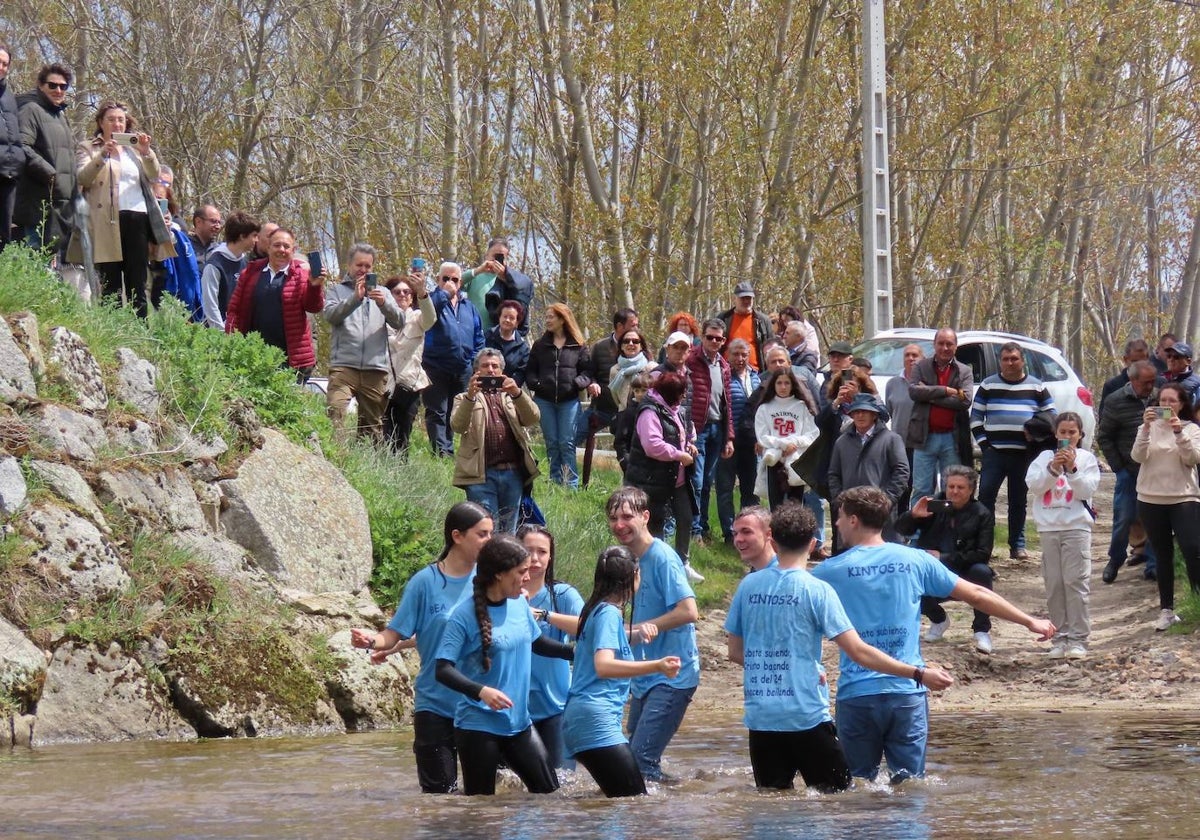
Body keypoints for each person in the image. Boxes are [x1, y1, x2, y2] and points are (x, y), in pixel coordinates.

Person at [811, 486, 1054, 783]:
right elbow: (977, 594)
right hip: (907, 694)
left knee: (856, 789)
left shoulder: (829, 571)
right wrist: (1029, 621)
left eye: (838, 517)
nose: (835, 524)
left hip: (858, 695)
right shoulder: (915, 560)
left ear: (853, 520)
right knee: (910, 786)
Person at [726, 503, 953, 792]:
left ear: (772, 540)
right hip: (805, 717)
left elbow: (734, 651)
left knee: (773, 805)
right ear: (812, 543)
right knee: (840, 801)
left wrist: (776, 668)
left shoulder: (748, 586)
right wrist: (918, 674)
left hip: (760, 719)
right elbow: (858, 652)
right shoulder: (816, 589)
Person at [349, 501, 492, 794]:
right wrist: (373, 641)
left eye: (491, 533)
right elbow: (394, 633)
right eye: (482, 534)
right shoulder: (425, 583)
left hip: (481, 707)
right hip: (435, 706)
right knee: (439, 798)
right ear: (457, 536)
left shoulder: (491, 580)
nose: (490, 541)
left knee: (484, 801)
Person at [434, 534, 573, 796]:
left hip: (520, 725)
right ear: (499, 574)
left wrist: (577, 653)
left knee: (550, 795)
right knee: (481, 809)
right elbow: (442, 668)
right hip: (477, 728)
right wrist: (481, 691)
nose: (527, 578)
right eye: (521, 571)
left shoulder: (520, 603)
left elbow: (538, 643)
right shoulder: (463, 616)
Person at [563, 545, 680, 797]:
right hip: (595, 721)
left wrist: (636, 634)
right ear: (633, 577)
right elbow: (603, 665)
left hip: (582, 718)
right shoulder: (609, 613)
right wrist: (656, 666)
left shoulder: (595, 608)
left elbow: (605, 644)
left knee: (616, 802)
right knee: (635, 800)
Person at [604, 487, 699, 783]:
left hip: (673, 675)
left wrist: (649, 627)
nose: (620, 524)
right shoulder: (627, 560)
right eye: (614, 518)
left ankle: (652, 821)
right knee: (635, 757)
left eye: (627, 516)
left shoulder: (662, 558)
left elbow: (689, 611)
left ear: (645, 517)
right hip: (644, 676)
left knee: (640, 761)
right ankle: (678, 795)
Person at [70, 101, 175, 317]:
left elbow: (154, 175)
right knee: (110, 281)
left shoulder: (135, 149)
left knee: (137, 279)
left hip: (137, 218)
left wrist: (147, 152)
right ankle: (113, 331)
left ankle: (140, 329)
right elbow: (82, 177)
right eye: (111, 119)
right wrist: (103, 155)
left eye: (121, 120)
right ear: (101, 123)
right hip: (105, 220)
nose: (117, 124)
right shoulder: (88, 147)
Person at [895, 465, 997, 653]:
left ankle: (981, 630)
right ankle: (939, 619)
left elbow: (983, 553)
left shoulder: (982, 513)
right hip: (933, 571)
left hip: (963, 569)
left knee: (982, 572)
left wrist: (943, 557)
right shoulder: (933, 506)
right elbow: (902, 530)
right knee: (907, 575)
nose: (955, 492)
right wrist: (913, 515)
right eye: (951, 487)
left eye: (960, 488)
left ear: (971, 489)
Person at [971, 342, 1056, 560]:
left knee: (1018, 501)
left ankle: (1017, 545)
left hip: (1024, 454)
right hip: (994, 454)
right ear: (1000, 361)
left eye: (1014, 359)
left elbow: (1052, 417)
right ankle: (984, 546)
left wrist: (1035, 432)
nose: (1010, 363)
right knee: (985, 499)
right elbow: (976, 418)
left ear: (1022, 360)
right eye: (1006, 359)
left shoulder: (1037, 387)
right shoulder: (988, 386)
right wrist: (985, 445)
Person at [1025, 412, 1100, 659]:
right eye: (1063, 432)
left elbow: (1086, 489)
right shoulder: (1045, 457)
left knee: (1075, 582)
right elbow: (1034, 486)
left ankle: (1079, 639)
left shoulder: (1087, 458)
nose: (1067, 437)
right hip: (1049, 528)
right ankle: (1059, 637)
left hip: (1076, 528)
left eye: (1072, 433)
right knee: (1054, 584)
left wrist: (1072, 468)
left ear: (1080, 435)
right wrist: (1054, 468)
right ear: (1056, 433)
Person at [1132, 382, 1200, 631]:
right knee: (1162, 554)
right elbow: (1138, 456)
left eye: (1172, 401)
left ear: (1182, 404)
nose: (1167, 406)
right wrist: (1147, 428)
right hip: (1150, 498)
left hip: (1184, 497)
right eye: (1163, 401)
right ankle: (1166, 610)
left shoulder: (1191, 428)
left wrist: (1179, 432)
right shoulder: (1146, 428)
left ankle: (1197, 601)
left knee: (1193, 548)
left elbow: (1193, 459)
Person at [450, 348, 541, 533]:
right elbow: (457, 426)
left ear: (502, 371)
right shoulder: (463, 398)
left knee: (508, 533)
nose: (490, 370)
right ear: (477, 371)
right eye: (485, 366)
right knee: (485, 532)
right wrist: (470, 396)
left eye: (495, 366)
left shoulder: (511, 396)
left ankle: (506, 563)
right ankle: (484, 563)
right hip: (480, 476)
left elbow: (533, 417)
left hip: (512, 474)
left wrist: (517, 393)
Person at [518, 525, 584, 769]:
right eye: (527, 551)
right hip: (512, 708)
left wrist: (545, 615)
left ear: (550, 557)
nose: (534, 558)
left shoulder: (562, 594)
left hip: (555, 706)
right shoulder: (502, 594)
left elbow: (589, 627)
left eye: (542, 552)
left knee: (561, 784)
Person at [323, 243, 405, 440]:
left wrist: (384, 304)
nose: (363, 270)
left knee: (372, 428)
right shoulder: (337, 291)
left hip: (375, 369)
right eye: (359, 265)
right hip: (344, 366)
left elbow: (400, 321)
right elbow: (330, 316)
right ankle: (336, 460)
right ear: (349, 265)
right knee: (335, 412)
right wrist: (354, 299)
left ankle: (365, 466)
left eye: (368, 266)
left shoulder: (383, 293)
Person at [224, 227, 324, 384]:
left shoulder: (302, 274)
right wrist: (231, 340)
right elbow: (234, 310)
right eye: (277, 245)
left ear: (293, 250)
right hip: (253, 355)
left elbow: (313, 307)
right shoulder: (250, 273)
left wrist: (314, 286)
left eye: (286, 246)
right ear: (268, 247)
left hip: (290, 359)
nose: (281, 250)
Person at [624, 370, 699, 570]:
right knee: (655, 524)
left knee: (686, 517)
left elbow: (685, 432)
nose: (684, 396)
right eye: (680, 392)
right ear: (669, 393)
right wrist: (678, 454)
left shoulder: (677, 409)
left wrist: (690, 444)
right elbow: (652, 445)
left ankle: (682, 563)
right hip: (651, 480)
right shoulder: (649, 411)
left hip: (678, 479)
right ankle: (655, 566)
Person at [1098, 360, 1160, 583]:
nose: (1150, 386)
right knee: (1123, 518)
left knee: (1154, 520)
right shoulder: (1115, 401)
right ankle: (1114, 560)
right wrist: (1119, 468)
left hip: (1156, 471)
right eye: (1146, 382)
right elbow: (1104, 437)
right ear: (1132, 380)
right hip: (1128, 471)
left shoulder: (1159, 398)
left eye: (1153, 381)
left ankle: (1153, 565)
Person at [827, 393, 909, 551]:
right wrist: (840, 499)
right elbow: (833, 474)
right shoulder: (841, 442)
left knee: (884, 557)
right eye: (856, 412)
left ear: (874, 415)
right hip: (850, 511)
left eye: (864, 411)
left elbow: (902, 472)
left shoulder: (892, 439)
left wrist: (887, 500)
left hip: (882, 513)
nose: (860, 415)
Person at [525, 302, 593, 489]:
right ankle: (555, 482)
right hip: (544, 401)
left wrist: (577, 384)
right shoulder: (540, 345)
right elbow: (530, 371)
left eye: (550, 317)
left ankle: (570, 484)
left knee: (567, 442)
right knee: (552, 443)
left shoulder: (578, 345)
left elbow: (587, 372)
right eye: (546, 317)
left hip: (569, 401)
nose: (547, 320)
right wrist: (536, 384)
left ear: (563, 319)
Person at [422, 262, 484, 457]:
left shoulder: (469, 307)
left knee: (455, 412)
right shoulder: (432, 300)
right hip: (435, 365)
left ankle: (454, 450)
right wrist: (445, 294)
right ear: (438, 280)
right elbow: (428, 315)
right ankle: (441, 453)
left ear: (460, 282)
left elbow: (478, 337)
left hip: (463, 367)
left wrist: (474, 362)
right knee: (437, 411)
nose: (450, 282)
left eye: (455, 279)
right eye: (445, 278)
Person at [905, 327, 973, 506]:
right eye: (941, 343)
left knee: (951, 489)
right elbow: (913, 392)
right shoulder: (921, 366)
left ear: (956, 347)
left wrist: (930, 396)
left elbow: (964, 401)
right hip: (924, 437)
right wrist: (945, 391)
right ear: (934, 345)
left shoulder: (964, 371)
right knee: (921, 488)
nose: (945, 348)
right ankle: (917, 532)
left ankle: (948, 531)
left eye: (949, 344)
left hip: (952, 439)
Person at [15, 62, 75, 258]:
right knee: (33, 264)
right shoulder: (30, 110)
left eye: (63, 86)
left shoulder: (60, 115)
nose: (58, 90)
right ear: (41, 85)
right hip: (36, 204)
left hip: (58, 207)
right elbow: (21, 146)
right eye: (52, 85)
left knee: (48, 264)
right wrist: (49, 173)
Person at [685, 319, 735, 543]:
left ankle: (703, 527)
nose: (714, 341)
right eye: (710, 337)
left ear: (724, 341)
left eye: (719, 338)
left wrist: (729, 436)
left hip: (717, 427)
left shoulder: (724, 365)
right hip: (698, 429)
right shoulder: (691, 360)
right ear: (702, 337)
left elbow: (728, 404)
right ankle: (693, 530)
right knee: (695, 481)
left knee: (707, 482)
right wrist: (687, 432)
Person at [383, 274, 435, 457]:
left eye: (407, 292)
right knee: (383, 433)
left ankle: (400, 471)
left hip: (410, 385)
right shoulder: (379, 318)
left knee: (402, 434)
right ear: (389, 295)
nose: (402, 295)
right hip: (383, 384)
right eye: (397, 292)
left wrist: (422, 292)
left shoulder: (418, 318)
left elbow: (431, 319)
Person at [716, 338, 762, 542]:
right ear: (728, 355)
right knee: (725, 488)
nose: (740, 358)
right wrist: (727, 437)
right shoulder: (724, 376)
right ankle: (729, 533)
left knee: (750, 490)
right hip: (728, 440)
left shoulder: (756, 377)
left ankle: (750, 531)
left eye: (744, 354)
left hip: (751, 442)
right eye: (736, 354)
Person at [754, 368, 819, 509]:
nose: (783, 387)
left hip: (796, 461)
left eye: (787, 383)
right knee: (775, 508)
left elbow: (812, 434)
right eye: (779, 383)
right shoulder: (764, 408)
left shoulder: (802, 407)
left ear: (793, 385)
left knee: (796, 507)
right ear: (773, 385)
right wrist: (783, 445)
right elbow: (762, 437)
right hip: (774, 461)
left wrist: (794, 443)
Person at [578, 308, 640, 441]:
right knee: (572, 438)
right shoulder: (600, 347)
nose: (636, 329)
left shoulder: (640, 347)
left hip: (628, 412)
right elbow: (589, 372)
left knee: (629, 450)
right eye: (633, 325)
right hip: (601, 408)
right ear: (619, 326)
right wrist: (592, 383)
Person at [200, 210, 260, 331]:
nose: (256, 240)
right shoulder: (215, 265)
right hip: (220, 336)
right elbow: (210, 305)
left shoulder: (246, 262)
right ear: (242, 236)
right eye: (254, 235)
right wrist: (221, 333)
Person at [461, 237, 534, 333]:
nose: (497, 260)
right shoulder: (476, 276)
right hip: (476, 332)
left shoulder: (512, 280)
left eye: (501, 256)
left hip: (500, 335)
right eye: (494, 255)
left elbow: (523, 294)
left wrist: (504, 276)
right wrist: (478, 270)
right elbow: (456, 282)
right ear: (486, 255)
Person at [885, 343, 923, 512]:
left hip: (923, 443)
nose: (911, 358)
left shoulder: (927, 383)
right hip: (900, 443)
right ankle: (900, 523)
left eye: (915, 355)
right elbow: (890, 411)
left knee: (920, 485)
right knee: (901, 485)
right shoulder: (893, 383)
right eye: (907, 355)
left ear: (922, 359)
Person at [715, 281, 774, 372]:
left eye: (749, 298)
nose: (746, 301)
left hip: (756, 373)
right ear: (735, 299)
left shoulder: (763, 321)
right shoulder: (723, 318)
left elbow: (771, 347)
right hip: (727, 371)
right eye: (743, 298)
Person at [0, 45, 23, 252]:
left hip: (8, 173)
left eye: (5, 64)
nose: (1, 67)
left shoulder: (9, 95)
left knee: (4, 236)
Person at [612, 371, 652, 476]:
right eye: (636, 390)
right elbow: (620, 441)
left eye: (644, 391)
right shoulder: (629, 413)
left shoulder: (656, 412)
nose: (640, 394)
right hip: (633, 464)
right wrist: (625, 461)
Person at [484, 300, 530, 387]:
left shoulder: (523, 348)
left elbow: (521, 373)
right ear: (499, 318)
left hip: (507, 392)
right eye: (505, 316)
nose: (507, 320)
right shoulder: (486, 337)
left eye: (512, 318)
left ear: (517, 322)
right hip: (483, 388)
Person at [607, 326, 654, 412]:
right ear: (621, 346)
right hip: (625, 415)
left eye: (635, 341)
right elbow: (616, 398)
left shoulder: (651, 368)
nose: (631, 343)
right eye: (626, 341)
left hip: (648, 413)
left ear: (641, 346)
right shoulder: (615, 370)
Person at [729, 506, 776, 572]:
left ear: (768, 534)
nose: (738, 539)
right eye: (735, 534)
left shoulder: (783, 577)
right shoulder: (755, 577)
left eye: (746, 532)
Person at [1160, 341, 1200, 408]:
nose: (1171, 359)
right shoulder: (1161, 379)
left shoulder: (1197, 385)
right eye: (1169, 356)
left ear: (1188, 361)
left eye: (1176, 357)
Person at [188, 204, 222, 273]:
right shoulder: (185, 247)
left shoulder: (219, 250)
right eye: (213, 221)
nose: (218, 227)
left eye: (219, 222)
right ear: (198, 222)